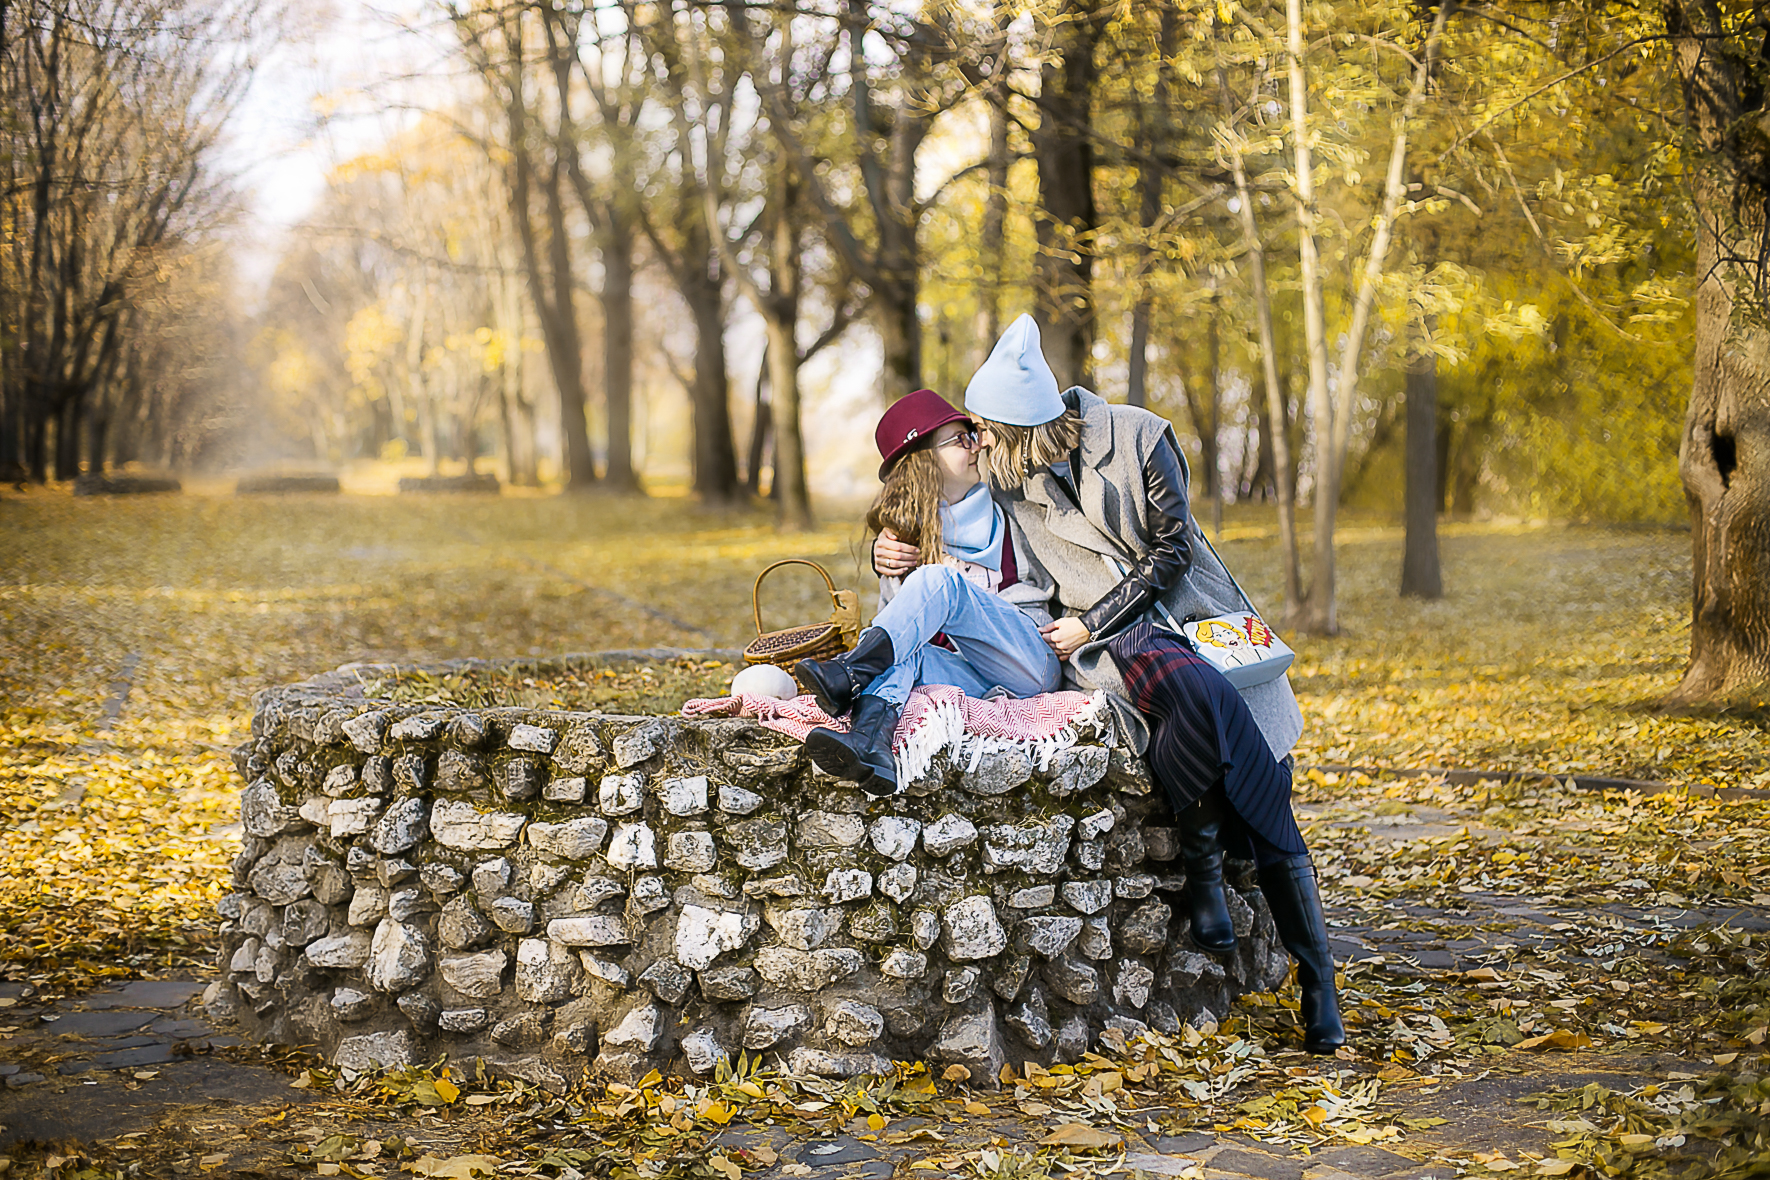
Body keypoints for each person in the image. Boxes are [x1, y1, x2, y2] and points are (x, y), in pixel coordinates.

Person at [875, 316, 1345, 1055]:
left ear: (1020, 430)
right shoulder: (1013, 477)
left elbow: (1172, 552)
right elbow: (940, 505)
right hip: (1109, 646)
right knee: (1198, 707)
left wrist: (1092, 619)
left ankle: (1244, 905)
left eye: (987, 431)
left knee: (1213, 708)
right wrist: (890, 547)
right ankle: (1258, 919)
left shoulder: (1139, 437)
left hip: (1182, 617)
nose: (979, 443)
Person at [795, 388, 1061, 797]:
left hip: (1029, 662)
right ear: (925, 461)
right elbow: (900, 628)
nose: (976, 445)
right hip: (965, 677)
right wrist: (887, 558)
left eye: (972, 435)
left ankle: (848, 672)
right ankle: (869, 744)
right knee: (902, 650)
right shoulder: (903, 542)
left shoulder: (1014, 506)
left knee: (939, 580)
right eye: (961, 439)